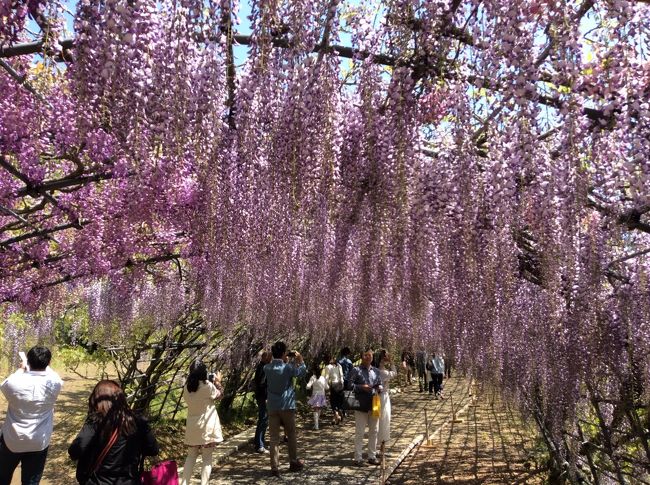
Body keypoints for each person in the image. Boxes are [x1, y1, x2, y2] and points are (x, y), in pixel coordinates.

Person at [68, 380, 159, 485]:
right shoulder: (138, 420)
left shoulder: (96, 421)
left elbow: (75, 451)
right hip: (130, 481)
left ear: (96, 399)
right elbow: (153, 450)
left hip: (97, 481)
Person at [0, 346, 63, 485]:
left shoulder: (14, 383)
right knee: (31, 481)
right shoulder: (55, 384)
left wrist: (22, 368)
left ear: (28, 361)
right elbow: (51, 373)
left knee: (2, 477)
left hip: (12, 439)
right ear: (49, 363)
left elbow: (5, 384)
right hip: (39, 440)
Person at [264, 341, 306, 477]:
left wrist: (275, 355)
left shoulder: (267, 368)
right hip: (287, 406)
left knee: (274, 437)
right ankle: (293, 461)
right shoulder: (287, 368)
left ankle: (274, 466)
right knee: (291, 433)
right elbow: (300, 372)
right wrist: (300, 360)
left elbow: (269, 361)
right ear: (283, 354)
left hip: (272, 406)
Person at [179, 361, 224, 485]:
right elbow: (220, 395)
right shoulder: (207, 386)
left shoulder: (187, 388)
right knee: (207, 459)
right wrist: (218, 382)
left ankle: (184, 483)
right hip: (206, 426)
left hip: (193, 426)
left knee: (191, 457)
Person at [348, 348, 382, 466]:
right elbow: (349, 385)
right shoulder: (356, 370)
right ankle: (358, 458)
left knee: (374, 431)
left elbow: (379, 383)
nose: (369, 357)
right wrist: (361, 387)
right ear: (361, 357)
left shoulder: (376, 371)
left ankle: (371, 456)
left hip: (374, 403)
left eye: (370, 355)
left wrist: (380, 388)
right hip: (361, 404)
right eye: (366, 355)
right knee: (360, 432)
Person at [374, 349, 397, 449]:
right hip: (383, 398)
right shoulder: (383, 372)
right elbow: (394, 373)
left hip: (375, 398)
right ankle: (382, 444)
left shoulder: (373, 370)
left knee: (375, 420)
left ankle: (375, 445)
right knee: (384, 420)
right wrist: (391, 362)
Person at [253, 350, 272, 454]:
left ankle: (258, 442)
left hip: (261, 397)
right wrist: (265, 397)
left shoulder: (261, 367)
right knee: (263, 420)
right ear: (265, 358)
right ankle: (260, 445)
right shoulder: (263, 368)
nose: (271, 359)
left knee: (263, 420)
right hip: (263, 397)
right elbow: (262, 384)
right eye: (270, 357)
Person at [306, 366, 329, 430]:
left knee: (315, 409)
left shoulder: (313, 377)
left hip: (315, 395)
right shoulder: (322, 378)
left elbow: (308, 386)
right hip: (321, 395)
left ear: (314, 371)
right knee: (318, 409)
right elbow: (327, 387)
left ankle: (316, 425)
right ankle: (316, 424)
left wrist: (307, 386)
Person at [324, 355, 344, 424]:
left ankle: (336, 415)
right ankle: (336, 416)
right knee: (339, 401)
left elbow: (326, 378)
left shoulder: (328, 367)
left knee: (333, 402)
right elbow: (342, 377)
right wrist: (342, 385)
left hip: (334, 385)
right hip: (340, 385)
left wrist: (326, 387)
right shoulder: (339, 366)